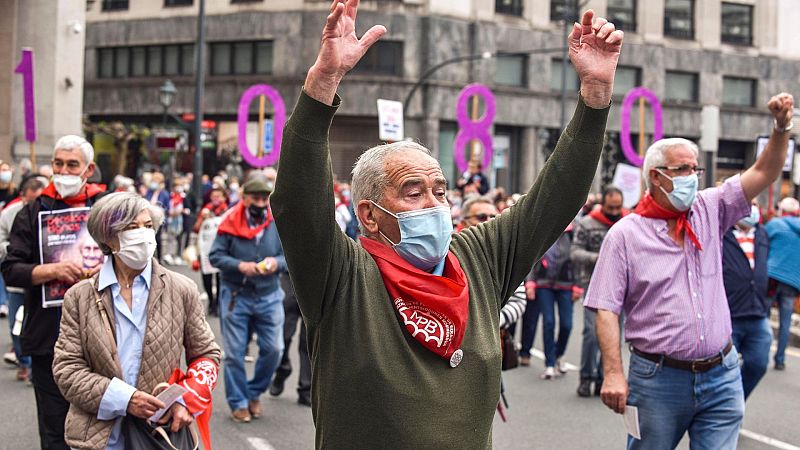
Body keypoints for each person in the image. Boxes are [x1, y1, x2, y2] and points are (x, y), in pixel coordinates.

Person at [270, 1, 623, 446]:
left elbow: (555, 199)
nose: (435, 204)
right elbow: (297, 203)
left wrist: (594, 92)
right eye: (413, 192)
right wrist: (323, 83)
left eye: (440, 191)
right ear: (370, 216)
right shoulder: (342, 276)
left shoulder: (479, 259)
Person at [585, 92, 794, 450]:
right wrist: (614, 373)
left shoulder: (709, 208)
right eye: (681, 169)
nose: (692, 177)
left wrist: (781, 127)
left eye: (694, 168)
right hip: (657, 379)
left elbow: (765, 171)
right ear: (657, 177)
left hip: (722, 374)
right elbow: (605, 307)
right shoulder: (625, 234)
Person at [52, 192, 221, 450]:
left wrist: (186, 401)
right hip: (98, 436)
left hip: (159, 430)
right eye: (132, 227)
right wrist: (126, 399)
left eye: (148, 226)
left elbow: (206, 354)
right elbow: (67, 370)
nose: (143, 234)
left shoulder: (181, 289)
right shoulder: (80, 297)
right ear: (108, 238)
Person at [1, 135, 107, 450]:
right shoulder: (32, 211)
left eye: (72, 164)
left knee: (104, 424)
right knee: (54, 429)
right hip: (49, 334)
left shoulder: (107, 207)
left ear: (88, 170)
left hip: (103, 333)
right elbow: (11, 267)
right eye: (58, 163)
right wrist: (53, 271)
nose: (63, 170)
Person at [209, 175, 287, 423]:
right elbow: (215, 256)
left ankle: (254, 393)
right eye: (256, 198)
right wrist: (239, 265)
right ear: (244, 199)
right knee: (233, 354)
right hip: (236, 296)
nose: (261, 203)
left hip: (269, 295)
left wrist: (276, 262)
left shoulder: (277, 222)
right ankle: (238, 402)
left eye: (265, 198)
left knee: (274, 349)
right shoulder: (229, 221)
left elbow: (291, 256)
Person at [572, 186, 625, 397]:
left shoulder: (626, 223)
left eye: (618, 207)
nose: (615, 211)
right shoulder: (587, 224)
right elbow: (575, 252)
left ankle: (604, 378)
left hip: (619, 288)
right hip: (593, 284)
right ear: (602, 204)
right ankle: (586, 377)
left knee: (614, 335)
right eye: (611, 207)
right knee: (591, 334)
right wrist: (598, 258)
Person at [722, 200, 771, 398]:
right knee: (723, 369)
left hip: (758, 313)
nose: (752, 209)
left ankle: (735, 402)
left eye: (755, 204)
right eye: (748, 203)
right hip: (729, 315)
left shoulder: (762, 234)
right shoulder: (722, 235)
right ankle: (725, 409)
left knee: (758, 363)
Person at [0, 176, 45, 382]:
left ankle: (33, 367)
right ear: (22, 197)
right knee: (15, 325)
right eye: (30, 200)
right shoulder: (11, 213)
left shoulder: (48, 212)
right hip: (19, 281)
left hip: (42, 283)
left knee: (33, 325)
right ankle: (23, 360)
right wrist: (13, 250)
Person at [526, 227, 581, 379]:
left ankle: (558, 355)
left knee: (567, 324)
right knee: (548, 322)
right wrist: (530, 283)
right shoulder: (544, 229)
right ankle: (549, 364)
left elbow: (578, 261)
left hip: (566, 285)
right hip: (544, 284)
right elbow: (532, 257)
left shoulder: (573, 234)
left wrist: (578, 285)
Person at [765, 196, 800, 370]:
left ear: (782, 211)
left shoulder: (774, 225)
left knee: (762, 314)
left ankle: (760, 353)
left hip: (771, 276)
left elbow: (761, 246)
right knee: (785, 320)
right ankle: (780, 360)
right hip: (793, 280)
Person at [194, 187, 228, 316]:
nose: (216, 199)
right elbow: (196, 229)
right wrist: (202, 218)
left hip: (221, 249)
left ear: (224, 197)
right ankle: (211, 299)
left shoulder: (227, 211)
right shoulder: (205, 210)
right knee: (206, 276)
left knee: (220, 277)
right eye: (213, 196)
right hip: (205, 249)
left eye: (219, 196)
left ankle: (218, 303)